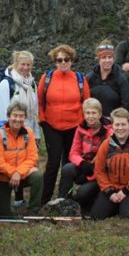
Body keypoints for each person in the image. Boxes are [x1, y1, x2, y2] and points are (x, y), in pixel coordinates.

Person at [38, 44, 90, 204]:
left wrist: (82, 122)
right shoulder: (46, 78)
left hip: (74, 126)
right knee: (52, 163)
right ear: (55, 61)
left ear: (71, 60)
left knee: (68, 163)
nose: (63, 62)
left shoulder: (80, 79)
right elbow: (39, 101)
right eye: (59, 59)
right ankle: (44, 200)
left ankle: (63, 198)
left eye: (66, 59)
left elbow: (87, 102)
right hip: (52, 126)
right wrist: (43, 120)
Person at [91, 108, 129, 220]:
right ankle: (116, 204)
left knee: (127, 215)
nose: (120, 128)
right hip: (112, 188)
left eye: (123, 124)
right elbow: (99, 170)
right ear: (112, 126)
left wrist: (126, 191)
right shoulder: (106, 145)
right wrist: (109, 191)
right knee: (97, 215)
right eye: (117, 124)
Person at [58, 98, 111, 212]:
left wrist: (89, 176)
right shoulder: (80, 128)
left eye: (94, 113)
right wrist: (82, 164)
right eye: (87, 113)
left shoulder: (108, 132)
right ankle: (64, 201)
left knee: (82, 194)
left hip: (99, 173)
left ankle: (92, 199)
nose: (90, 116)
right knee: (67, 168)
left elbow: (107, 158)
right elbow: (73, 153)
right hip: (85, 166)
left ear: (100, 114)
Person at [0, 101, 44, 216]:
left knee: (38, 176)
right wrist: (12, 173)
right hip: (4, 177)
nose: (18, 119)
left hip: (22, 175)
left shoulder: (28, 133)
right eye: (15, 115)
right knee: (3, 213)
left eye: (21, 116)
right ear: (8, 116)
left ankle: (33, 210)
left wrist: (18, 173)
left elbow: (32, 158)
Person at [0, 50, 39, 137]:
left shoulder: (32, 84)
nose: (25, 68)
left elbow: (34, 113)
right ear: (16, 64)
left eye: (28, 65)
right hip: (12, 134)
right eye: (22, 64)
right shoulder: (6, 83)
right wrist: (5, 136)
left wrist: (36, 135)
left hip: (29, 133)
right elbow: (1, 113)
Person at [85, 40, 129, 118]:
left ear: (113, 59)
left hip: (113, 122)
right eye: (104, 57)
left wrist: (114, 118)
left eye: (110, 57)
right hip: (93, 121)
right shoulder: (90, 77)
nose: (107, 60)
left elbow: (125, 104)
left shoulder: (121, 79)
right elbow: (85, 101)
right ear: (98, 59)